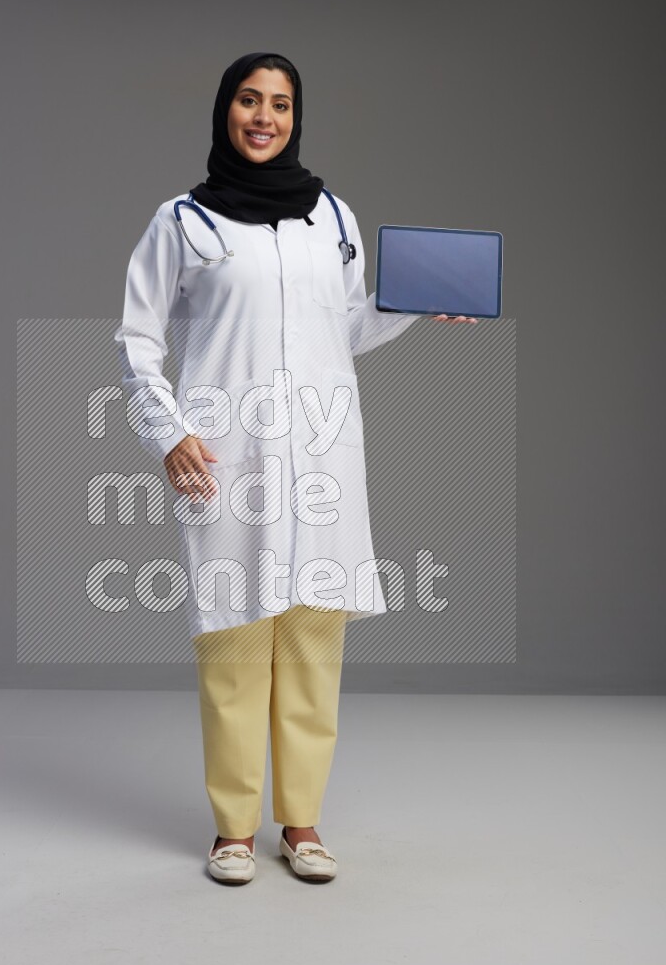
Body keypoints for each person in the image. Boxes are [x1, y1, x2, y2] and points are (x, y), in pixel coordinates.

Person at [114, 52, 476, 885]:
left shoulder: (333, 217)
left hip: (319, 455)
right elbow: (137, 339)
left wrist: (418, 299)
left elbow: (345, 325)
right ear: (225, 111)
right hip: (226, 456)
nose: (264, 116)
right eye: (249, 100)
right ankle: (234, 829)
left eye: (279, 103)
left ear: (296, 115)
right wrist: (165, 431)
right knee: (235, 642)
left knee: (314, 640)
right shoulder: (181, 222)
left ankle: (302, 824)